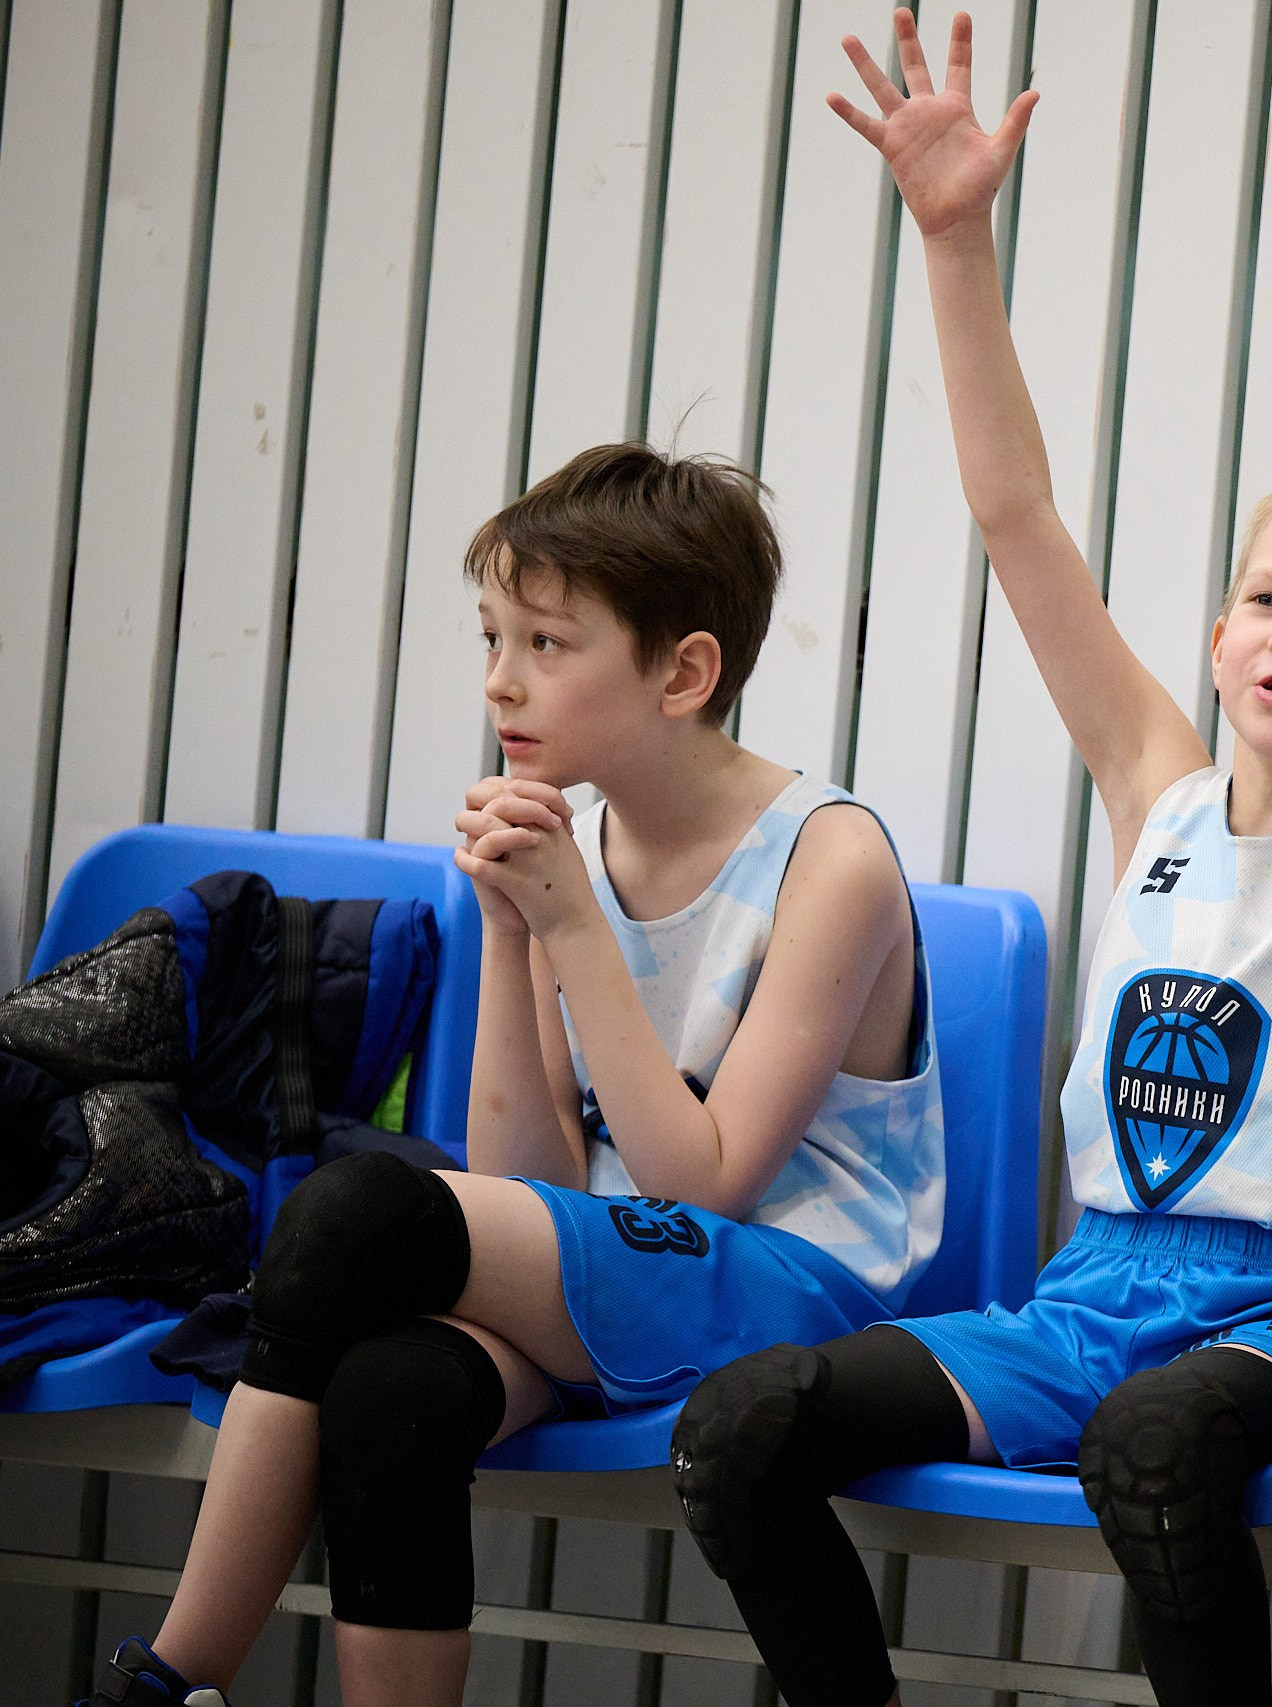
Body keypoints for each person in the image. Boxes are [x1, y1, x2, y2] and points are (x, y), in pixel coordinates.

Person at [665, 12, 1272, 1707]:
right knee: (741, 1430)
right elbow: (1019, 517)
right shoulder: (1155, 788)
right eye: (1268, 599)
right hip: (1085, 1295)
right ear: (1221, 633)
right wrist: (955, 242)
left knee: (1156, 1452)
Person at [88, 443, 942, 1707]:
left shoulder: (832, 857)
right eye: (494, 636)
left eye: (547, 642)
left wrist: (572, 926)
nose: (501, 679)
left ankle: (168, 1682)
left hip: (796, 1296)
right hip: (618, 1272)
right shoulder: (569, 842)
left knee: (355, 1211)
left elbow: (705, 1188)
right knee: (393, 1393)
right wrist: (505, 934)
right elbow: (524, 1180)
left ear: (683, 673)